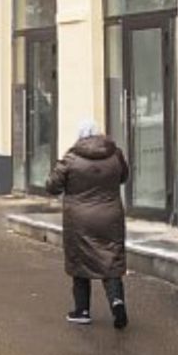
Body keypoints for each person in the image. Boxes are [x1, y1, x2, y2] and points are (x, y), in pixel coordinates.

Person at [45, 119, 130, 328]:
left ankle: (82, 311)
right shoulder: (115, 154)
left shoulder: (71, 158)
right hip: (110, 216)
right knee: (111, 260)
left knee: (80, 262)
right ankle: (117, 301)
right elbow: (123, 176)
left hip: (79, 219)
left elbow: (52, 186)